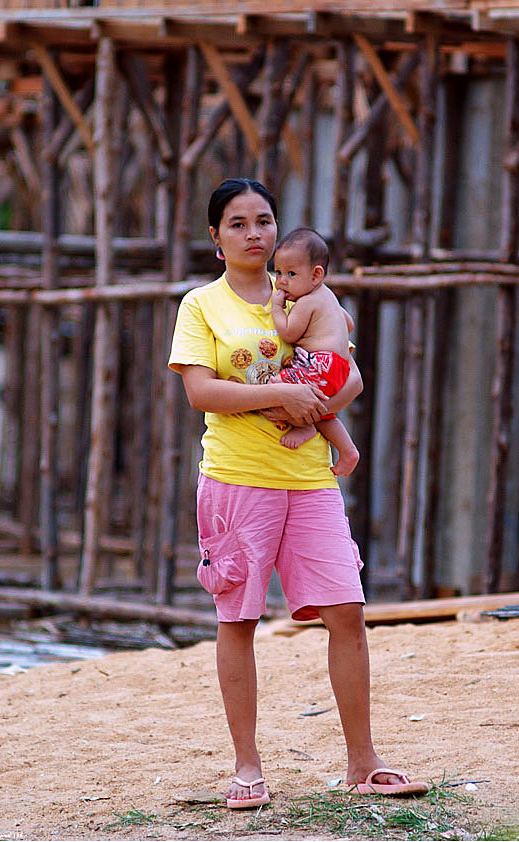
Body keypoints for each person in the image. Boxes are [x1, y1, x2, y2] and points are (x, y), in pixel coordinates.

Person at [168, 178, 428, 808]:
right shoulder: (202, 305)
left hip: (311, 479)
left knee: (347, 611)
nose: (253, 233)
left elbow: (350, 377)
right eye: (237, 224)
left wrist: (312, 412)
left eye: (263, 220)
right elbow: (200, 392)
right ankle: (247, 768)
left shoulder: (308, 293)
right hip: (237, 479)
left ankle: (364, 761)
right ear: (215, 237)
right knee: (239, 618)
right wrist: (282, 394)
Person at [269, 227, 360, 477]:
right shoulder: (328, 297)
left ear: (316, 275)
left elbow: (289, 333)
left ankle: (303, 426)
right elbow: (349, 323)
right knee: (322, 411)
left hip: (320, 364)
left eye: (291, 274)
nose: (281, 281)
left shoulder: (306, 302)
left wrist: (277, 309)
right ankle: (348, 450)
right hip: (338, 367)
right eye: (278, 272)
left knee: (276, 386)